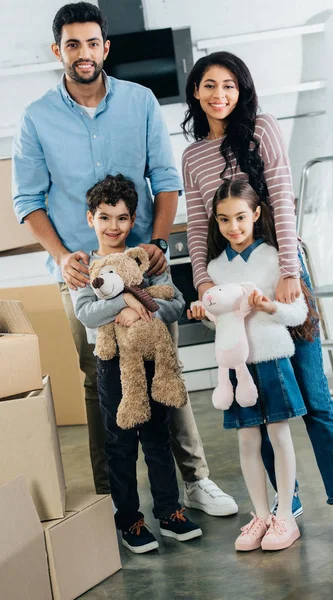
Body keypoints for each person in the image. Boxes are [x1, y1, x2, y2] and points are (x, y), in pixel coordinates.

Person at [12, 3, 237, 517]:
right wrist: (63, 255)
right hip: (80, 275)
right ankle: (111, 494)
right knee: (98, 377)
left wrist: (158, 241)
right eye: (73, 44)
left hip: (143, 267)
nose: (84, 53)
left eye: (92, 43)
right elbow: (28, 201)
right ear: (58, 51)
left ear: (106, 48)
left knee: (164, 363)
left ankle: (195, 480)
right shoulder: (37, 118)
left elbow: (165, 177)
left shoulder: (139, 103)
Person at [181, 51, 333, 543]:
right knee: (260, 399)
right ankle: (287, 501)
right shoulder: (193, 155)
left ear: (242, 90)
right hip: (232, 281)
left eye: (229, 85)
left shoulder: (261, 128)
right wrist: (202, 283)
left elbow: (281, 197)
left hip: (280, 272)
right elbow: (199, 226)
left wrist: (289, 270)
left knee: (314, 394)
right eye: (209, 85)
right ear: (195, 92)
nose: (219, 94)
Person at [72, 173, 202, 553]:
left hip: (152, 362)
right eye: (105, 217)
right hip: (112, 367)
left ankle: (169, 511)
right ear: (90, 219)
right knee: (120, 443)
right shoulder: (85, 267)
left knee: (158, 438)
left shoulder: (148, 259)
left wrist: (141, 307)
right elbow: (87, 314)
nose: (114, 226)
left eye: (123, 218)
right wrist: (125, 302)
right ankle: (130, 519)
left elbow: (176, 304)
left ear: (133, 219)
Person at [190, 180, 313, 550]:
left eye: (241, 217)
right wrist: (203, 314)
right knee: (246, 441)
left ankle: (286, 517)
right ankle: (260, 515)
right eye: (225, 219)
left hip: (272, 362)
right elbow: (219, 319)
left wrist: (268, 306)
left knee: (278, 436)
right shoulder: (214, 268)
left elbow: (298, 313)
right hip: (236, 369)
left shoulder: (278, 258)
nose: (234, 227)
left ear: (256, 214)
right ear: (216, 220)